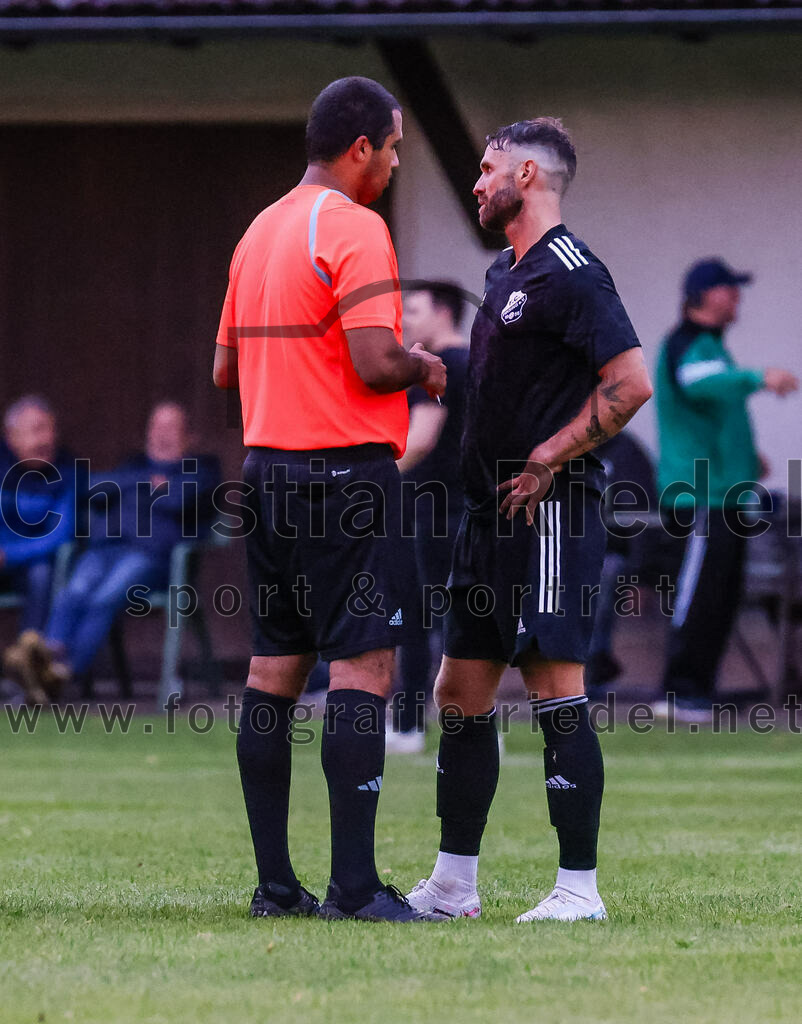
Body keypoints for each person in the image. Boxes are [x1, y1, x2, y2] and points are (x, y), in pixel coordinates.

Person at [213, 77, 447, 923]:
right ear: (360, 148)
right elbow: (377, 362)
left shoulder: (258, 230)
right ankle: (354, 889)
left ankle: (277, 888)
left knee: (273, 670)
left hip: (267, 471)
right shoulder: (352, 225)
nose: (393, 163)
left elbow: (224, 370)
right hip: (346, 474)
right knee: (364, 668)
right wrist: (425, 365)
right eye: (392, 148)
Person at [405, 118, 651, 923]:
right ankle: (454, 885)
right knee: (459, 689)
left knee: (553, 685)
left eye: (489, 168)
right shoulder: (504, 271)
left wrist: (550, 454)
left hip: (550, 511)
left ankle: (579, 890)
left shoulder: (575, 272)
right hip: (487, 516)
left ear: (530, 176)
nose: (477, 182)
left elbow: (630, 382)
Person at [653, 259, 798, 722]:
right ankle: (679, 691)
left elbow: (715, 414)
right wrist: (759, 377)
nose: (737, 297)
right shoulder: (687, 343)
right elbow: (701, 386)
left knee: (722, 596)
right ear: (704, 295)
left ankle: (698, 692)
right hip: (699, 497)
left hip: (727, 497)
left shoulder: (712, 346)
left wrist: (747, 460)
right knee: (698, 595)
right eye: (728, 288)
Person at [3, 402, 220, 702]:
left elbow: (180, 500)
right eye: (157, 427)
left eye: (172, 428)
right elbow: (93, 488)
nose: (162, 435)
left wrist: (138, 488)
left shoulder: (202, 468)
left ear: (189, 436)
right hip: (106, 549)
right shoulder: (134, 465)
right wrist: (148, 482)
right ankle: (47, 659)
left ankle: (64, 671)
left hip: (152, 556)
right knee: (74, 592)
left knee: (105, 596)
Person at [388, 282, 470, 753]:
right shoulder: (481, 363)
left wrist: (371, 481)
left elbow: (421, 440)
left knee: (415, 617)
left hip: (428, 509)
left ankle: (407, 725)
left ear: (444, 313)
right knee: (466, 616)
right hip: (472, 506)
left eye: (414, 310)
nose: (407, 319)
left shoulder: (432, 368)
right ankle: (476, 723)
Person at [0, 396, 76, 636]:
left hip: (32, 562)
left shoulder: (67, 472)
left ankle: (30, 649)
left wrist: (8, 555)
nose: (46, 439)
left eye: (50, 430)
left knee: (41, 574)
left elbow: (60, 535)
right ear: (11, 436)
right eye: (37, 430)